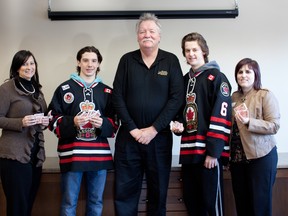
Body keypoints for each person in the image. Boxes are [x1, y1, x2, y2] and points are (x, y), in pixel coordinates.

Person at [112, 13, 184, 216]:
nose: (147, 35)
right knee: (125, 193)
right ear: (137, 36)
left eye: (152, 31)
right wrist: (134, 129)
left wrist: (153, 129)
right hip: (128, 139)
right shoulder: (126, 60)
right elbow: (117, 97)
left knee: (158, 193)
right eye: (143, 31)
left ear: (159, 36)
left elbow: (176, 98)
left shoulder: (170, 61)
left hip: (159, 139)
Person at [47, 46, 118, 216]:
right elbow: (51, 119)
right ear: (78, 62)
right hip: (72, 156)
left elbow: (115, 123)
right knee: (69, 203)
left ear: (99, 63)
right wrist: (73, 121)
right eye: (85, 60)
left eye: (94, 60)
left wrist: (102, 122)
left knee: (96, 202)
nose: (89, 64)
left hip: (99, 157)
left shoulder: (107, 91)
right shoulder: (64, 89)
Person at [171, 32, 232, 216]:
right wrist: (178, 125)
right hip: (189, 154)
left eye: (195, 49)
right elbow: (181, 112)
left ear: (204, 51)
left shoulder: (217, 77)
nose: (191, 54)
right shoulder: (183, 80)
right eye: (187, 50)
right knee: (192, 204)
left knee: (210, 205)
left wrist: (214, 152)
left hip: (208, 156)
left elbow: (222, 116)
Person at [0, 50, 49, 216]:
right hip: (14, 155)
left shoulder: (37, 90)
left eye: (32, 63)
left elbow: (42, 115)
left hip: (35, 154)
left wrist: (45, 121)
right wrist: (20, 122)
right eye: (24, 64)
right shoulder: (6, 89)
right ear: (16, 68)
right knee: (18, 206)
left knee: (28, 203)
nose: (29, 67)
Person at [229, 58, 280, 216]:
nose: (243, 75)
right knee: (242, 205)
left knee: (260, 207)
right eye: (240, 72)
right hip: (237, 160)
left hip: (261, 158)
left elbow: (274, 125)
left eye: (248, 71)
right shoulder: (233, 97)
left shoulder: (265, 95)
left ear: (256, 75)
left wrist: (250, 122)